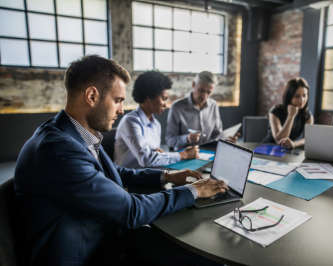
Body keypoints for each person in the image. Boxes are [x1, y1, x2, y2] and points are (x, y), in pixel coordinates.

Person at [14, 55, 227, 266]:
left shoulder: (72, 133)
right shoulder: (58, 150)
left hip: (102, 235)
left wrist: (166, 176)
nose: (121, 110)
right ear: (91, 96)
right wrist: (194, 191)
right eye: (117, 101)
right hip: (89, 253)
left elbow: (115, 171)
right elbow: (131, 211)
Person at [114, 71, 199, 168]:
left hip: (150, 174)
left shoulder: (156, 125)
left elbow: (153, 155)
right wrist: (183, 155)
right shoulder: (130, 122)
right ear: (148, 97)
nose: (165, 104)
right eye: (163, 98)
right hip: (129, 179)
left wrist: (161, 154)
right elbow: (146, 159)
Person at [166, 71, 237, 151]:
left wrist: (225, 140)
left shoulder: (213, 105)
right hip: (185, 156)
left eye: (208, 92)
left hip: (209, 153)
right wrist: (187, 138)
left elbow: (217, 134)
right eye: (201, 90)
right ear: (193, 85)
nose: (204, 96)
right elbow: (169, 140)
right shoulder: (177, 107)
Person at [267, 77, 314, 149]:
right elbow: (279, 140)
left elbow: (308, 139)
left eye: (304, 95)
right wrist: (291, 116)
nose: (302, 100)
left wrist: (294, 144)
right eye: (297, 96)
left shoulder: (307, 115)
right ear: (289, 96)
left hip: (288, 150)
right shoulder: (275, 111)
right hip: (269, 148)